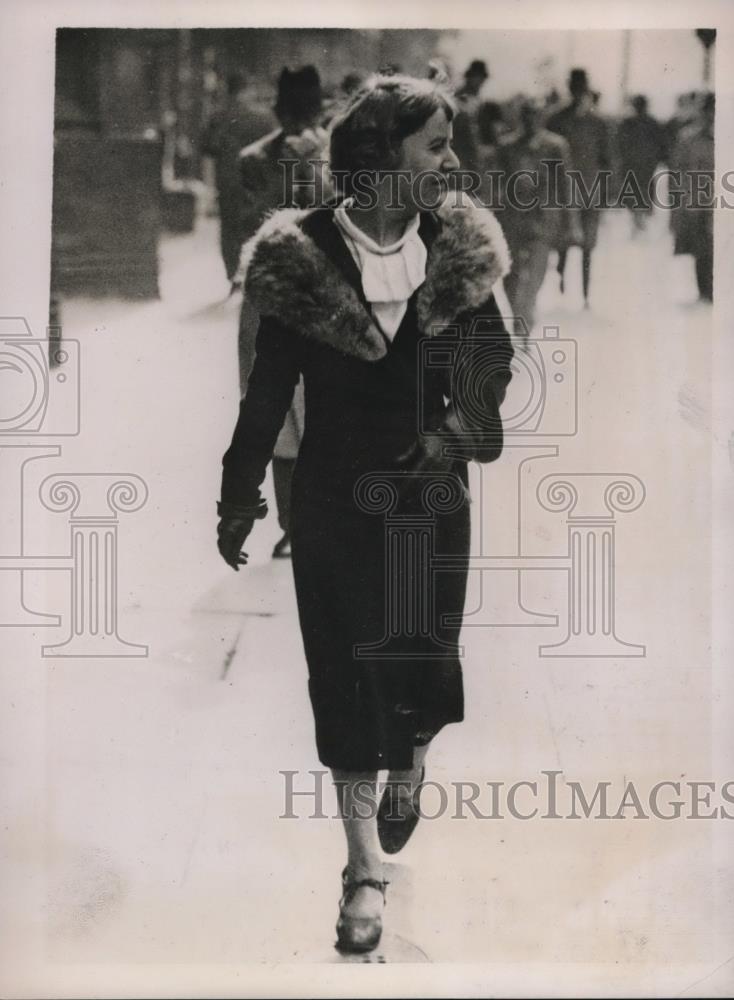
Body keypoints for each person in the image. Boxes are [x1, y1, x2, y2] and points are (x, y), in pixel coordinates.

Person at [216, 74, 514, 953]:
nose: (453, 160)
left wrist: (456, 428)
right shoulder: (298, 256)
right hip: (335, 502)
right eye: (436, 146)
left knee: (421, 658)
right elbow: (267, 390)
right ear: (380, 156)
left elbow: (495, 361)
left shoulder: (460, 243)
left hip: (430, 499)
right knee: (343, 676)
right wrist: (240, 494)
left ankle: (412, 760)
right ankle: (361, 873)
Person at [234, 66, 330, 558]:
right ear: (277, 110)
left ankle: (315, 521)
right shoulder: (255, 160)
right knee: (274, 415)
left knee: (322, 413)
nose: (297, 121)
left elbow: (339, 218)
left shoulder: (340, 157)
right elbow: (265, 223)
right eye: (291, 111)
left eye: (306, 111)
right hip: (270, 298)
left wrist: (317, 168)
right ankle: (293, 524)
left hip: (322, 302)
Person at [498, 97, 572, 337]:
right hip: (513, 219)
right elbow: (496, 184)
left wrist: (571, 222)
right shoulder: (507, 146)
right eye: (526, 115)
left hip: (543, 220)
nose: (531, 120)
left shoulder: (555, 146)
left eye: (535, 115)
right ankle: (519, 314)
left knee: (537, 271)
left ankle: (526, 316)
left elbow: (565, 185)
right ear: (520, 118)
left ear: (542, 118)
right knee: (511, 274)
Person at [200, 72, 275, 282]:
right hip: (255, 183)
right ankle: (251, 274)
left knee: (229, 230)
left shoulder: (217, 117)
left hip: (227, 181)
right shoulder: (263, 118)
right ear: (247, 90)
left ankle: (232, 275)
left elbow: (207, 149)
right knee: (254, 226)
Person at [547, 68, 611, 306]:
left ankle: (585, 295)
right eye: (574, 87)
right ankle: (561, 279)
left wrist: (606, 193)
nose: (577, 92)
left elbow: (607, 160)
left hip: (590, 191)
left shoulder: (597, 123)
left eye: (580, 87)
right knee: (563, 242)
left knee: (588, 247)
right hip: (563, 192)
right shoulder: (556, 119)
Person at [670, 92, 714, 302]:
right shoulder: (688, 138)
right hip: (696, 201)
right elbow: (677, 172)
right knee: (702, 246)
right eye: (708, 111)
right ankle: (705, 290)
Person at [616, 95, 664, 234]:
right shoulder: (645, 122)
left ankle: (638, 219)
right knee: (639, 191)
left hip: (639, 164)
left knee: (637, 191)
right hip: (640, 164)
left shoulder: (631, 122)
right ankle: (638, 218)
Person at [451, 59, 490, 175]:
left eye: (482, 78)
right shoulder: (460, 96)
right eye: (478, 77)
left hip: (474, 150)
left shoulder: (478, 99)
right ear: (470, 77)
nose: (481, 82)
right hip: (460, 147)